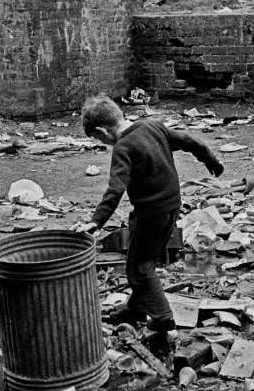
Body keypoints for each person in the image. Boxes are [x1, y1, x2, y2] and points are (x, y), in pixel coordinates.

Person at [72, 94, 223, 331]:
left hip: (151, 213)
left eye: (99, 139)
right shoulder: (153, 126)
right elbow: (188, 141)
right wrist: (210, 159)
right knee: (144, 259)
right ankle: (136, 309)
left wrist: (95, 222)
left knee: (138, 269)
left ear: (102, 132)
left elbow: (115, 189)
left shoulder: (123, 147)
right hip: (171, 207)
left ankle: (163, 319)